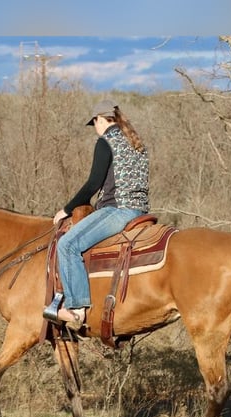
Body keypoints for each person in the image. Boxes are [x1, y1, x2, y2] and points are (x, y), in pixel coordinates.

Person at [43, 99, 150, 331]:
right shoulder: (135, 142)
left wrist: (67, 209)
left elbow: (93, 184)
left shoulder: (106, 142)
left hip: (119, 210)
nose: (96, 129)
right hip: (141, 211)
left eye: (95, 124)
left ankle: (76, 309)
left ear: (99, 119)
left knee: (67, 244)